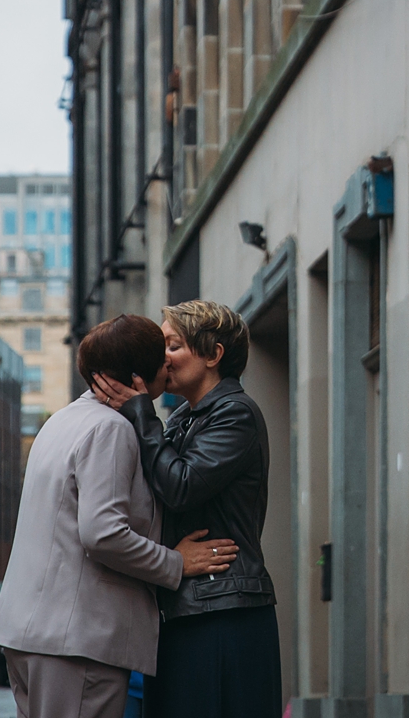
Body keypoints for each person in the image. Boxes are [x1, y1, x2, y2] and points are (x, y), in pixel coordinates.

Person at [0, 314, 237, 718]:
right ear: (143, 375)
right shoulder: (111, 429)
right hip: (77, 639)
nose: (170, 365)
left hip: (31, 634)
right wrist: (176, 562)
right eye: (164, 358)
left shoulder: (62, 421)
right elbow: (103, 534)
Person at [92, 300, 281, 718]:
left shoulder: (236, 413)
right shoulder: (182, 419)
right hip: (186, 604)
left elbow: (181, 486)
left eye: (173, 345)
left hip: (224, 610)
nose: (162, 357)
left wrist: (141, 414)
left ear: (213, 355)